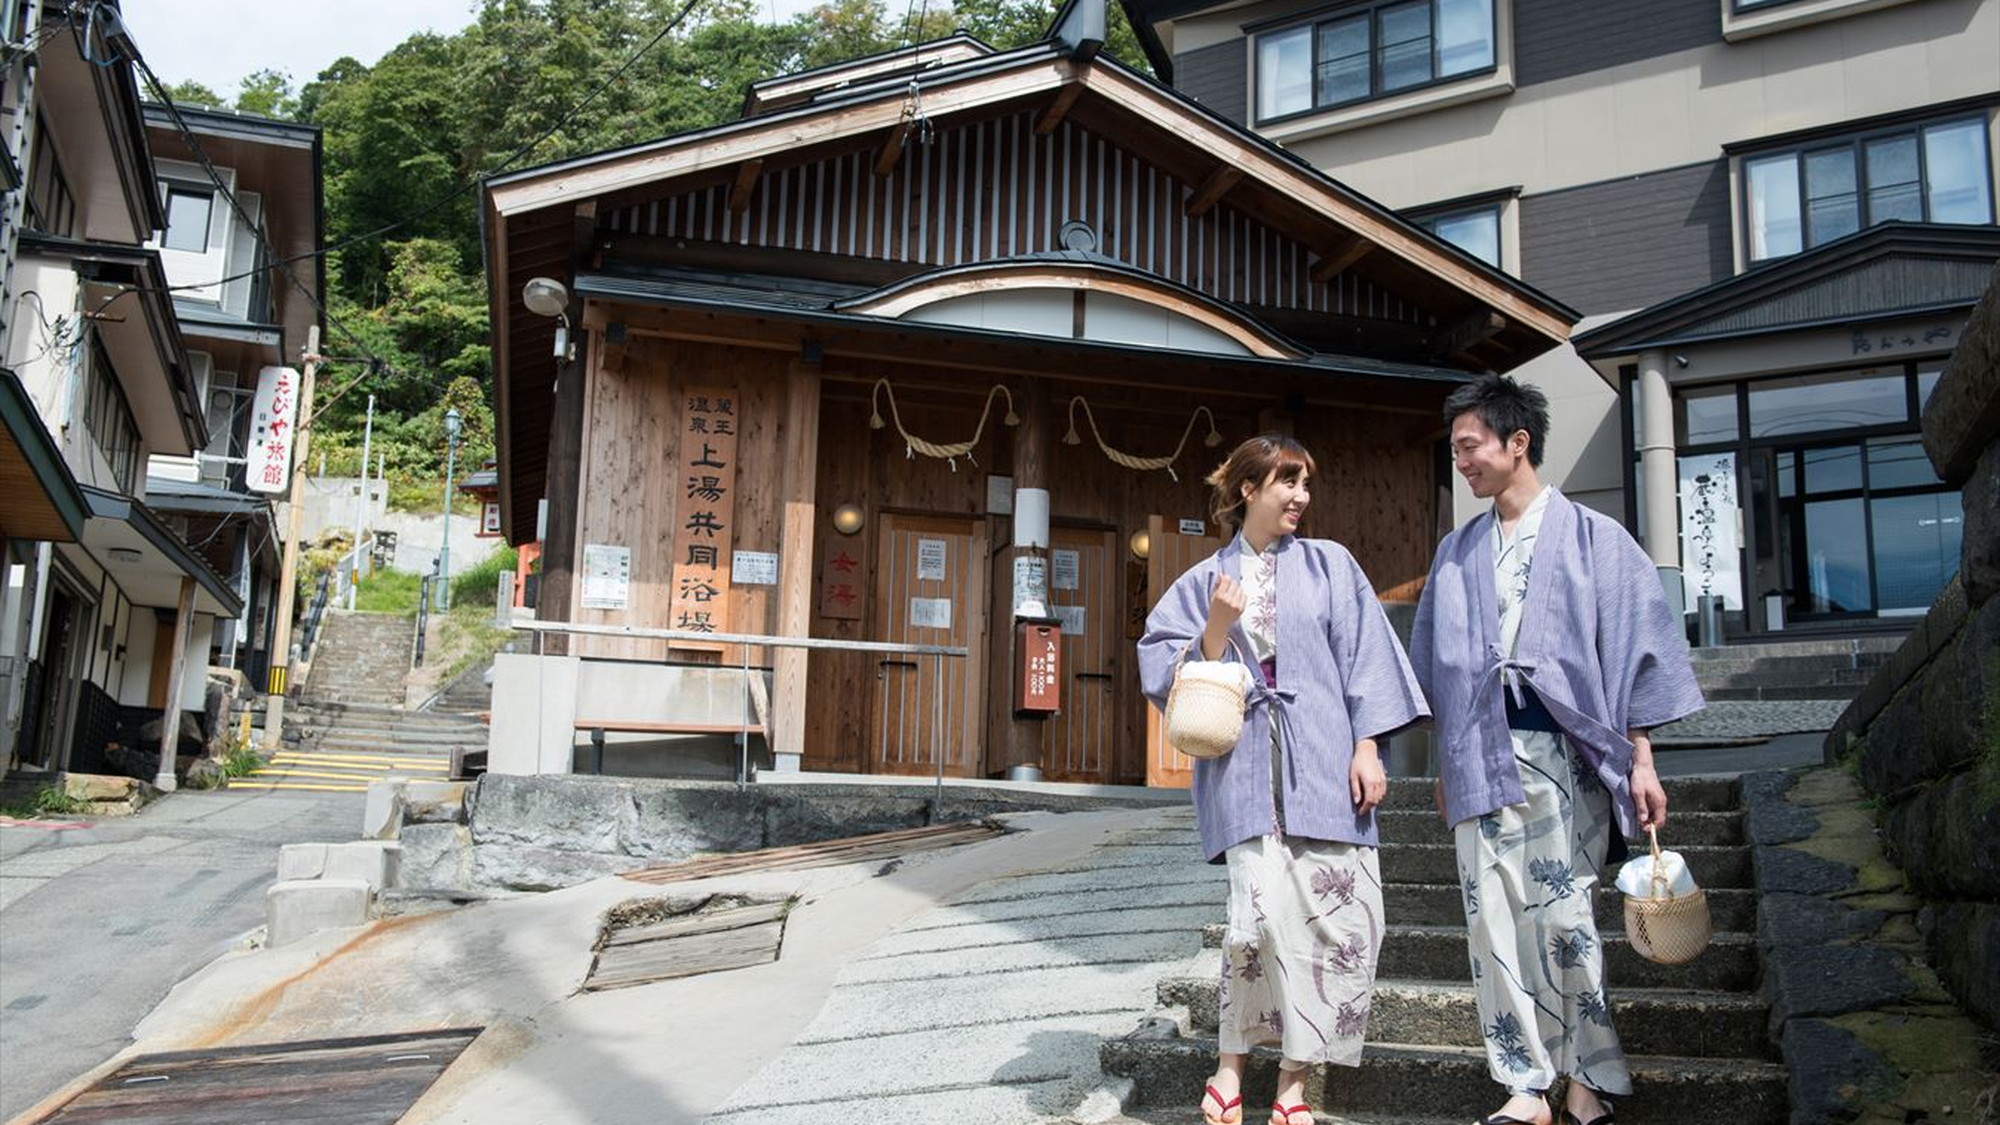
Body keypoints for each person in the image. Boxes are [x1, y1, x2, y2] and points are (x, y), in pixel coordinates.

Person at [1410, 375, 1703, 1125]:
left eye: (1470, 446)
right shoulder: (1455, 551)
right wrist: (1445, 761)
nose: (1463, 462)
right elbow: (1437, 664)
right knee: (1491, 921)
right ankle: (1523, 1083)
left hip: (1564, 754)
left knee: (1565, 916)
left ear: (1518, 442)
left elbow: (1638, 647)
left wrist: (1641, 756)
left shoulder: (1593, 537)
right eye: (1456, 450)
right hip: (1480, 756)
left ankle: (1586, 1072)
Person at [1139, 434, 1429, 1125]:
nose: (1300, 496)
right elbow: (1162, 670)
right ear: (1248, 489)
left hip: (1327, 760)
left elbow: (1366, 656)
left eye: (1305, 483)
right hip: (1243, 771)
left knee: (1345, 922)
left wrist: (1368, 746)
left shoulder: (1332, 565)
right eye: (1287, 482)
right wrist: (1215, 627)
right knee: (1257, 927)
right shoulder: (1205, 580)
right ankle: (1229, 1069)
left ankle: (1294, 1084)